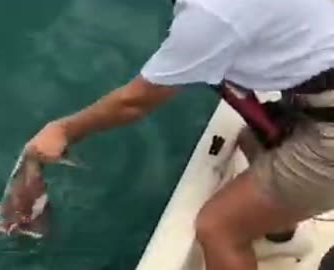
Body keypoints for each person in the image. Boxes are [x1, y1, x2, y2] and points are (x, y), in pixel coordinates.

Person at [24, 0, 334, 269]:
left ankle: (255, 229)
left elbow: (135, 101)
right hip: (317, 104)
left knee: (218, 230)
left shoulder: (211, 15)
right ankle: (281, 237)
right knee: (251, 142)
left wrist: (64, 130)